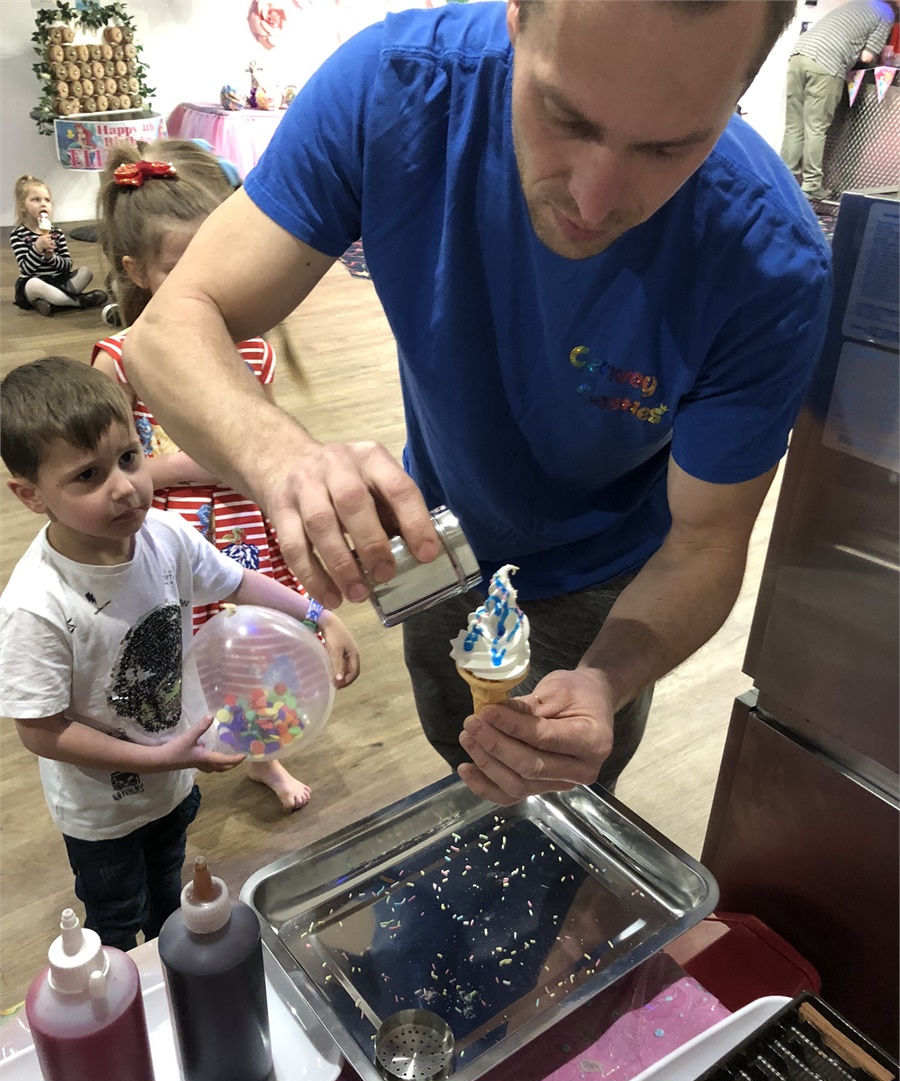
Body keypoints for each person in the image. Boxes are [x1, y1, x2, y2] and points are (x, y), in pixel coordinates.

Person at [122, 0, 832, 809]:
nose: (593, 201)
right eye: (565, 115)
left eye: (671, 146)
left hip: (609, 589)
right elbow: (168, 331)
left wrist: (605, 682)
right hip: (440, 538)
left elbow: (705, 544)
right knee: (454, 750)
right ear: (516, 18)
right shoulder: (396, 88)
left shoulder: (769, 267)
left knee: (568, 803)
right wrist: (279, 458)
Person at [0, 357, 358, 950]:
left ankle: (173, 962)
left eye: (128, 458)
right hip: (102, 811)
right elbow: (39, 731)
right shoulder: (34, 605)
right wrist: (164, 758)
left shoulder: (165, 535)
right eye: (87, 476)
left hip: (174, 780)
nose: (123, 486)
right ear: (31, 496)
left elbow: (236, 583)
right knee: (117, 917)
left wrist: (320, 615)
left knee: (169, 887)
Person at [93, 138, 345, 813]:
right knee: (178, 645)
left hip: (242, 531)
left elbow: (262, 443)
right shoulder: (119, 359)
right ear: (137, 270)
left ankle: (264, 753)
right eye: (179, 266)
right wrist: (199, 460)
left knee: (252, 647)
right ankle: (175, 747)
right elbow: (109, 473)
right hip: (173, 536)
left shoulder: (253, 347)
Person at [781, 0, 897, 199]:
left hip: (799, 54)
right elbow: (868, 56)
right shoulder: (886, 14)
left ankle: (784, 179)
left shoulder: (859, 4)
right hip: (827, 63)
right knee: (816, 127)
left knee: (794, 125)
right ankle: (811, 185)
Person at [10, 174, 107, 316]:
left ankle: (53, 302)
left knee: (86, 272)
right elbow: (26, 269)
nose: (43, 204)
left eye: (47, 200)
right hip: (36, 282)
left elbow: (67, 266)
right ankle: (79, 301)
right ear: (22, 206)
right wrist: (37, 248)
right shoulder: (18, 235)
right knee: (33, 285)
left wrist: (51, 258)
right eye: (36, 200)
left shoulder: (56, 233)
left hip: (59, 282)